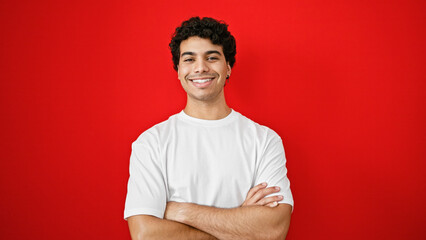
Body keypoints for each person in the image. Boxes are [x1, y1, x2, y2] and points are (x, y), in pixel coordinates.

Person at [124, 16, 294, 240]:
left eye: (212, 57)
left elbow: (273, 230)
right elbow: (145, 235)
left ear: (228, 68)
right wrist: (241, 225)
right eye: (189, 59)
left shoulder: (264, 140)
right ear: (178, 70)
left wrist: (180, 211)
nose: (200, 67)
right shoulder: (151, 142)